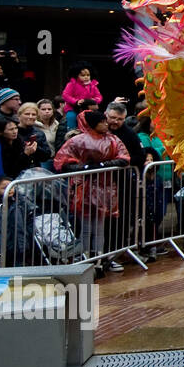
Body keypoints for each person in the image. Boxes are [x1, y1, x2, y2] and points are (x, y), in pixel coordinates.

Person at [52, 110, 130, 275]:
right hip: (84, 187)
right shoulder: (77, 140)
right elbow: (61, 162)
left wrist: (102, 166)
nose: (106, 124)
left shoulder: (113, 139)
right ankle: (87, 261)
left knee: (99, 226)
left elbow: (124, 158)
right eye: (102, 121)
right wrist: (84, 167)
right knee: (87, 227)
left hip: (104, 188)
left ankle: (99, 261)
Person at [61, 64, 102, 131]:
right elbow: (65, 95)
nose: (86, 77)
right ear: (76, 75)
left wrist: (93, 100)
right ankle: (71, 132)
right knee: (71, 117)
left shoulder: (93, 85)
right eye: (83, 75)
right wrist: (76, 101)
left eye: (88, 75)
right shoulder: (72, 84)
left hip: (88, 109)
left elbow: (99, 96)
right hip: (73, 109)